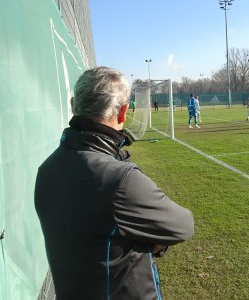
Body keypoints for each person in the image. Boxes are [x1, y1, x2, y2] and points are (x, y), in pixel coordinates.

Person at [34, 66, 194, 300]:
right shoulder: (121, 179)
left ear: (72, 104)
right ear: (123, 112)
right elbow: (183, 225)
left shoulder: (46, 169)